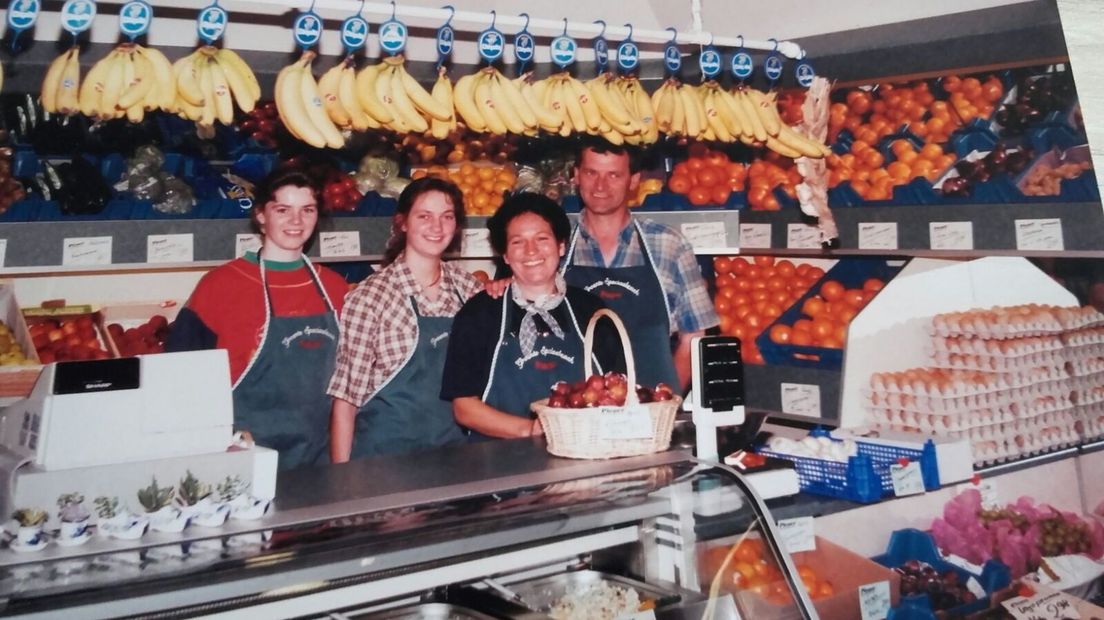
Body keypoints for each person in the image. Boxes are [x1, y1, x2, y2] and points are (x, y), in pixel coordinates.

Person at [167, 168, 347, 471]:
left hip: (319, 460)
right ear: (261, 215)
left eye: (307, 210)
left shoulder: (335, 288)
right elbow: (180, 380)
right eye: (283, 210)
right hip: (242, 458)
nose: (296, 221)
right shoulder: (219, 285)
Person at [441, 193, 624, 441]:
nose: (531, 251)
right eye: (518, 242)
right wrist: (532, 430)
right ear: (505, 255)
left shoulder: (592, 310)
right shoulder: (479, 313)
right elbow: (464, 407)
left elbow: (617, 392)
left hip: (582, 456)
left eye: (542, 239)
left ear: (561, 246)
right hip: (497, 468)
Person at [328, 178, 480, 461]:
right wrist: (343, 484)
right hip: (386, 463)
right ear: (403, 222)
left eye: (447, 217)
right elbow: (346, 402)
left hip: (456, 459)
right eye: (424, 216)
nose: (437, 227)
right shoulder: (371, 296)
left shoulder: (469, 289)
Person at [563, 138, 719, 390]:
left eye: (614, 175)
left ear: (634, 180)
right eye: (592, 172)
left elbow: (693, 337)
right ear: (576, 175)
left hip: (649, 413)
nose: (600, 185)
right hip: (572, 410)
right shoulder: (553, 243)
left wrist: (666, 398)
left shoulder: (669, 244)